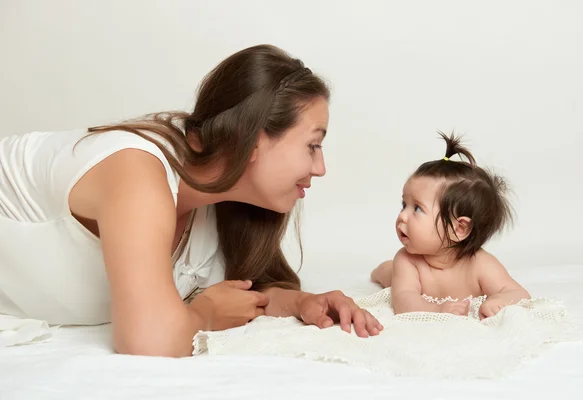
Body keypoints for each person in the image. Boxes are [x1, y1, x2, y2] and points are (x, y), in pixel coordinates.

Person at [0, 44, 382, 357]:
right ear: (253, 139)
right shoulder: (138, 172)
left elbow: (241, 293)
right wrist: (202, 316)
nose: (321, 168)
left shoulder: (216, 202)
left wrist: (302, 304)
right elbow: (148, 342)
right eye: (313, 145)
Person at [371, 132, 530, 320]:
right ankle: (382, 270)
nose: (402, 216)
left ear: (460, 228)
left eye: (417, 209)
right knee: (387, 273)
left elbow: (519, 294)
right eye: (404, 205)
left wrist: (500, 300)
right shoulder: (407, 260)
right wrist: (437, 310)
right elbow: (404, 302)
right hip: (398, 274)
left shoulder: (480, 263)